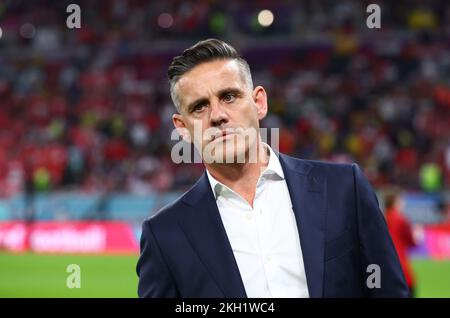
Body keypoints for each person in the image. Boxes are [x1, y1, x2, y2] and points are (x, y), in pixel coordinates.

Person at [136, 39, 409, 298]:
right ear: (182, 128)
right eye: (199, 107)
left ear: (259, 102)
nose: (217, 115)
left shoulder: (344, 189)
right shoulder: (165, 235)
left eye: (229, 96)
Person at [384, 190, 417, 297]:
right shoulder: (401, 219)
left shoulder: (380, 217)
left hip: (383, 266)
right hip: (400, 267)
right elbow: (412, 241)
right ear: (396, 201)